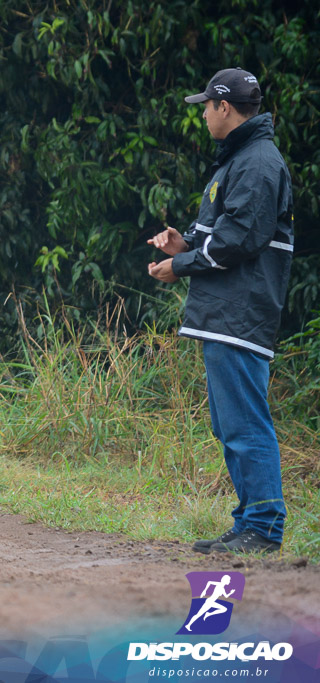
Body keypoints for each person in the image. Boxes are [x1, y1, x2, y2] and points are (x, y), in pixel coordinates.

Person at [148, 68, 294, 555]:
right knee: (230, 423)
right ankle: (249, 522)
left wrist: (179, 265)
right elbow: (225, 236)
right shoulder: (240, 160)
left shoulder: (256, 163)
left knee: (246, 423)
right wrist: (184, 243)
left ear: (224, 107)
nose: (204, 115)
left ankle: (264, 528)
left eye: (207, 106)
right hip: (225, 315)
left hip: (240, 316)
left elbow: (239, 241)